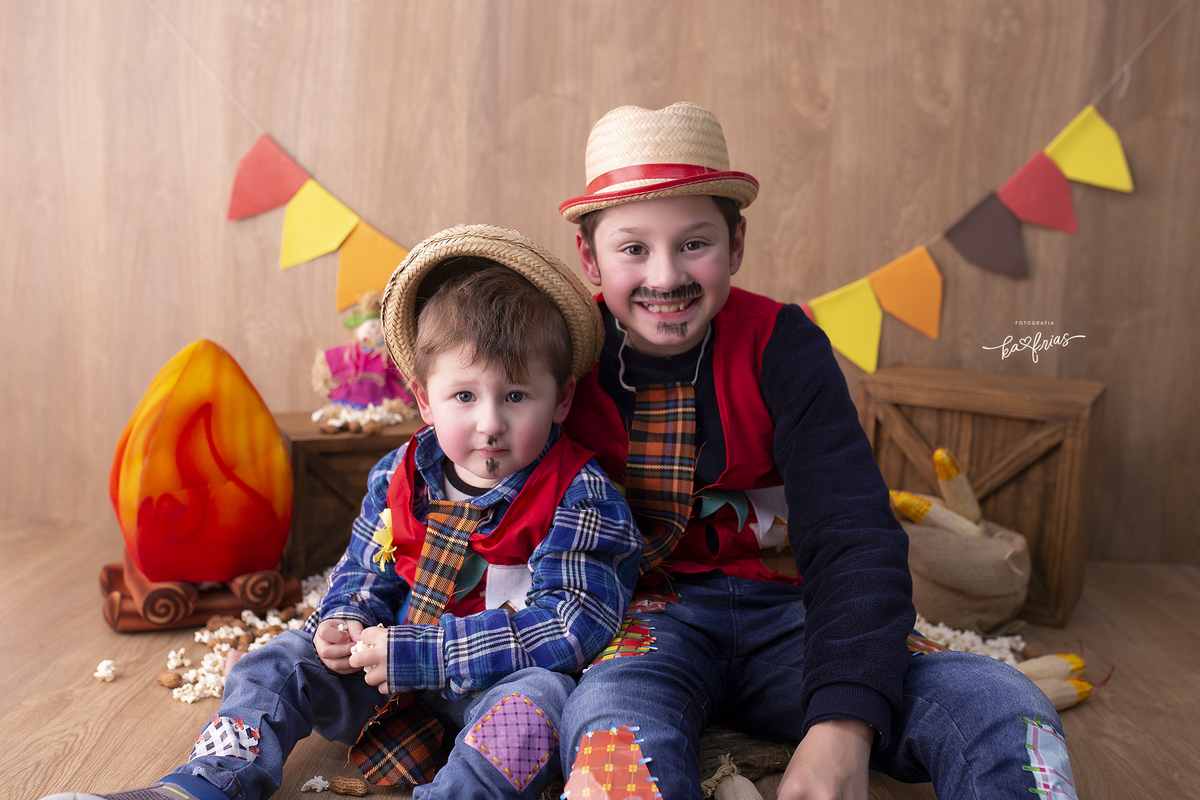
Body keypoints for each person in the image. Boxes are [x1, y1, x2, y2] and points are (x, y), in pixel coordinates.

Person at [555, 102, 1076, 800]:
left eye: (694, 243)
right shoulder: (562, 353)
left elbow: (853, 533)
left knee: (1001, 702)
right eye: (632, 249)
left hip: (795, 614)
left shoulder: (784, 345)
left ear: (736, 244)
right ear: (588, 257)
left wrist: (843, 722)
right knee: (611, 739)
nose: (665, 275)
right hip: (645, 625)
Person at [44, 225, 641, 800]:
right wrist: (344, 620)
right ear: (423, 399)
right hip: (383, 671)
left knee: (542, 707)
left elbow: (572, 626)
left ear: (560, 398)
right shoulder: (397, 474)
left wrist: (422, 652)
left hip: (492, 681)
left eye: (516, 396)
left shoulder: (578, 494)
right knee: (276, 660)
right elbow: (363, 569)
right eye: (464, 396)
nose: (490, 424)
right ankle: (208, 781)